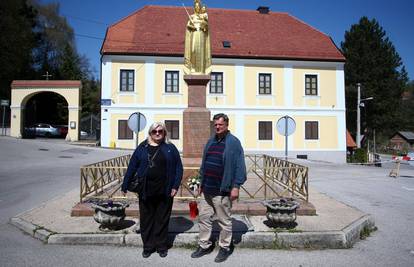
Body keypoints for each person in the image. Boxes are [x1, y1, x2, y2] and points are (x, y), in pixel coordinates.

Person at [121, 122, 183, 258]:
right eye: (154, 131)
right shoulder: (142, 147)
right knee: (146, 219)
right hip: (146, 190)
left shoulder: (170, 148)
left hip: (165, 190)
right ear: (150, 133)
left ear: (164, 132)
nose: (157, 133)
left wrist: (175, 186)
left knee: (162, 219)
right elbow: (132, 166)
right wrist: (125, 185)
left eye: (160, 131)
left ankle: (161, 246)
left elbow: (179, 168)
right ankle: (148, 246)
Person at [191, 113, 246, 263]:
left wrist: (236, 186)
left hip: (222, 190)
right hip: (206, 189)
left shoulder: (233, 142)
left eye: (220, 124)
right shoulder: (210, 141)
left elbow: (240, 166)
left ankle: (225, 247)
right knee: (203, 218)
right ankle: (204, 245)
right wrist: (199, 182)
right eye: (215, 124)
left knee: (224, 221)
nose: (217, 127)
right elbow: (204, 164)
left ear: (227, 125)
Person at [184, 0, 211, 74]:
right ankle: (192, 68)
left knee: (201, 52)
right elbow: (188, 25)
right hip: (194, 34)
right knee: (193, 50)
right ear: (194, 7)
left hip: (201, 34)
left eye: (198, 6)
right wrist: (192, 27)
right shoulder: (191, 17)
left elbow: (206, 27)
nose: (197, 7)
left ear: (200, 7)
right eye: (196, 6)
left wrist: (204, 24)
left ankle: (201, 70)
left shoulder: (202, 16)